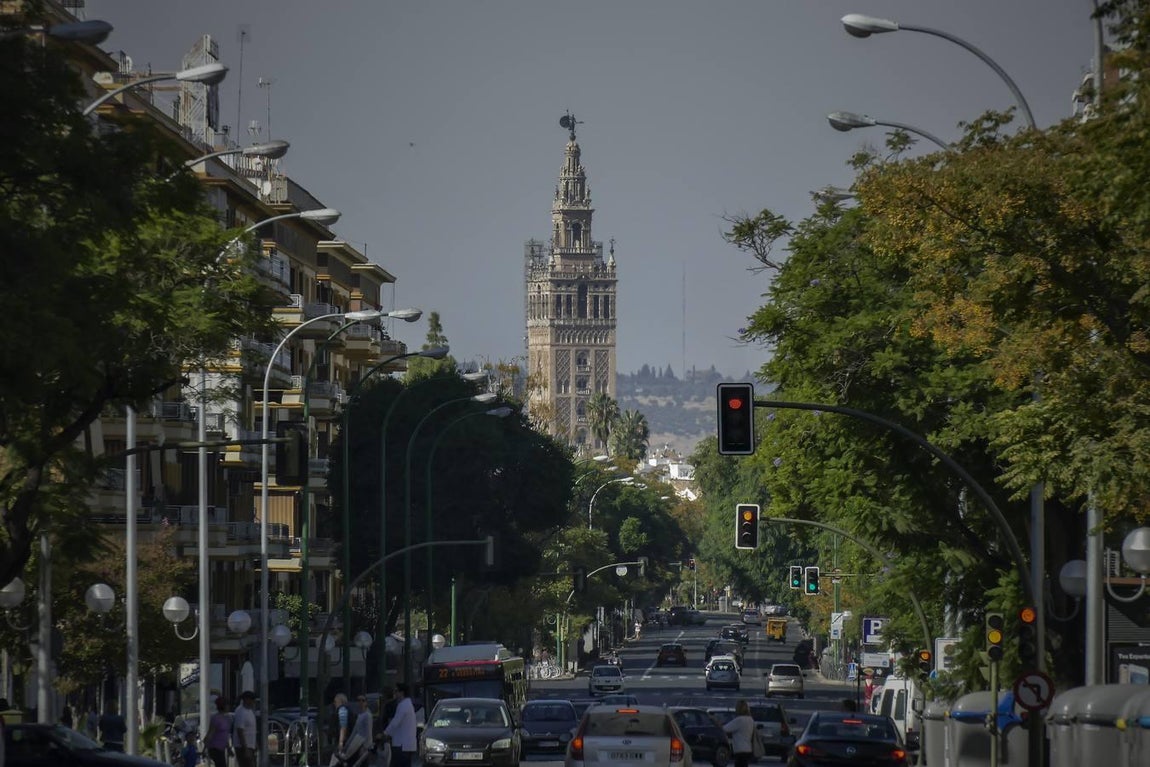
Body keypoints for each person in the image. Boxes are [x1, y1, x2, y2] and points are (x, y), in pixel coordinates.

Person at [382, 683, 417, 767]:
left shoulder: (403, 705)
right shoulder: (408, 704)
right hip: (407, 745)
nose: (395, 693)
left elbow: (395, 722)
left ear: (402, 693)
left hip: (401, 745)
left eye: (396, 691)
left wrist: (385, 733)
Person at [721, 699, 756, 767]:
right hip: (748, 748)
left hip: (740, 749)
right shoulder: (750, 719)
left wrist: (716, 722)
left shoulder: (739, 720)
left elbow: (725, 729)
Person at [204, 696, 232, 767]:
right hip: (215, 748)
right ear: (223, 706)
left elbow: (225, 735)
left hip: (221, 748)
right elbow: (210, 734)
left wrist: (228, 748)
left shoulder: (227, 718)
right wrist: (205, 748)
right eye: (227, 705)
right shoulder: (216, 718)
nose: (229, 707)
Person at [232, 691, 258, 767]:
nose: (253, 702)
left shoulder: (250, 711)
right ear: (246, 699)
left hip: (250, 746)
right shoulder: (241, 711)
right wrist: (245, 748)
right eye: (252, 699)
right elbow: (240, 731)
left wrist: (255, 743)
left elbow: (251, 729)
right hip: (243, 747)